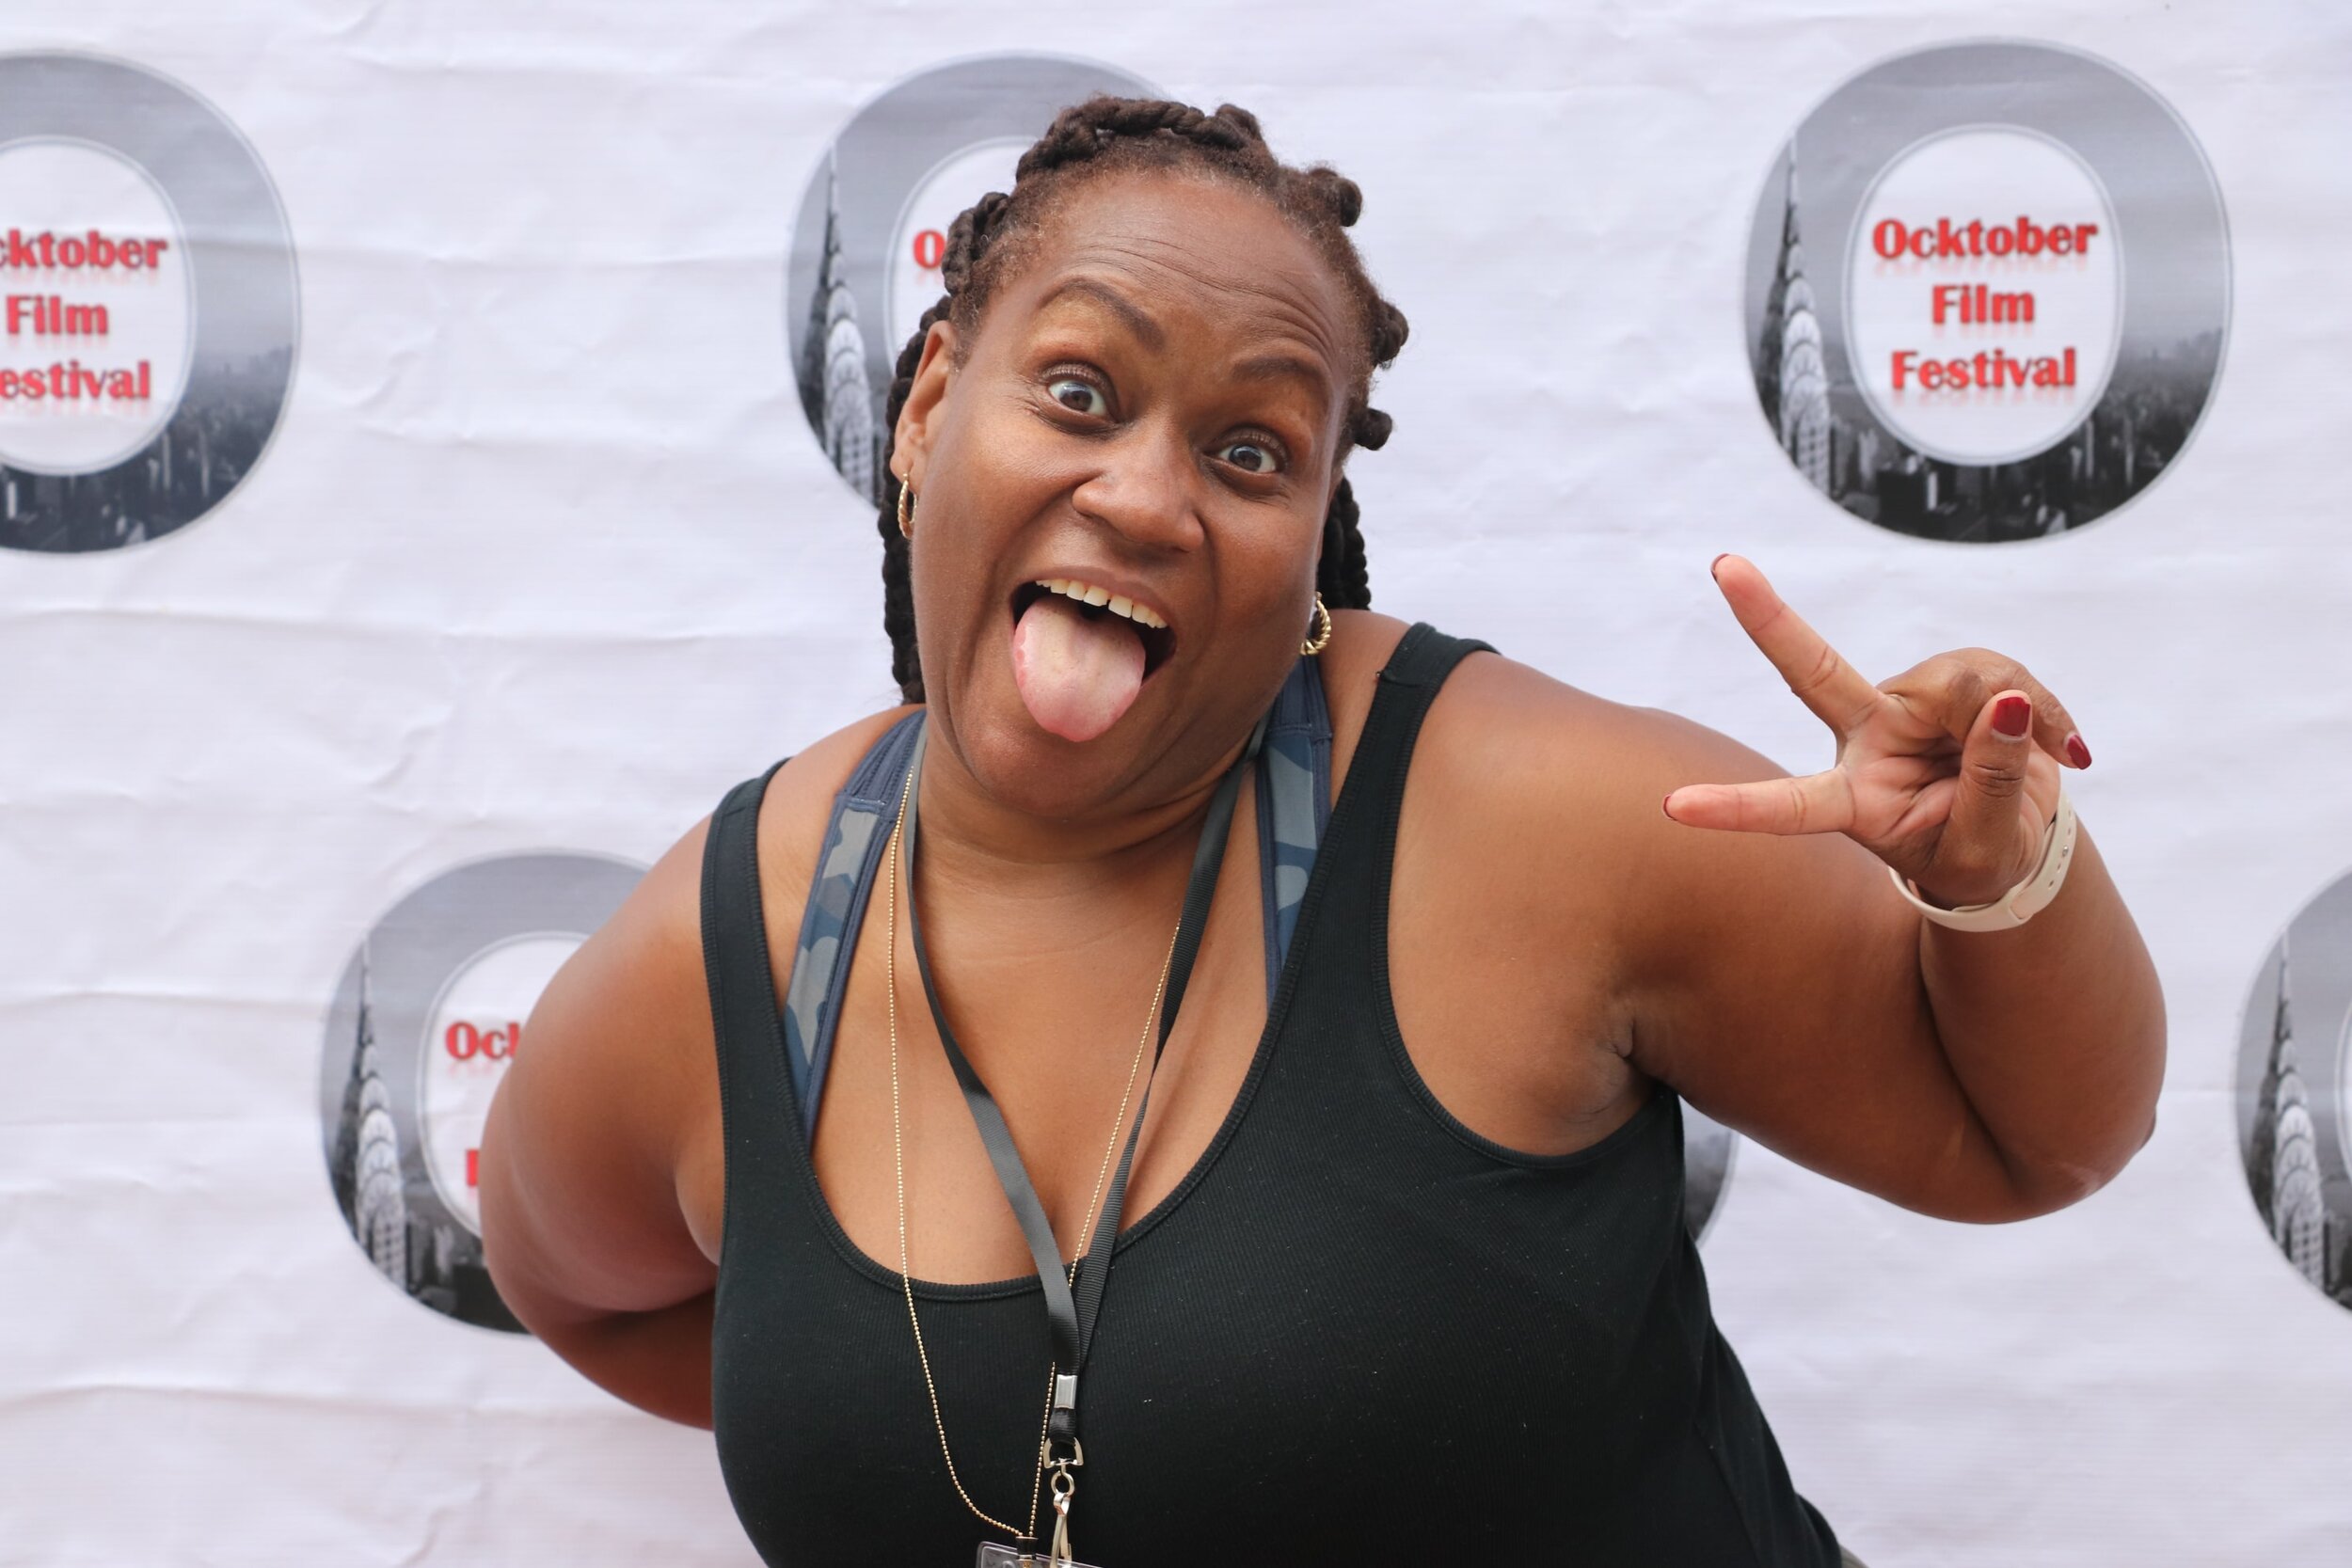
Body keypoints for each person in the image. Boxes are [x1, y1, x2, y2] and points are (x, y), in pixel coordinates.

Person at [479, 97, 2164, 1567]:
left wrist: (2002, 876)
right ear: (928, 406)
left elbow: (2032, 1141)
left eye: (1249, 452)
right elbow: (582, 1287)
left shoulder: (1521, 817)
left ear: (1311, 539)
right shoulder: (751, 930)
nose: (1145, 496)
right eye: (1077, 391)